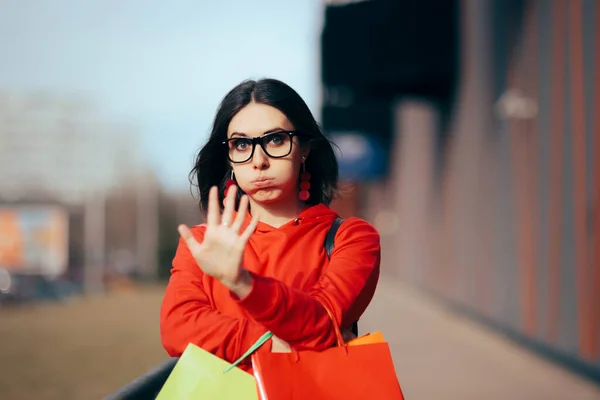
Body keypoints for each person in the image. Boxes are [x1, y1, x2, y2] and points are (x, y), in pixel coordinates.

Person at [159, 78, 380, 373]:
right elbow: (177, 328)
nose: (259, 161)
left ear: (304, 148)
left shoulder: (351, 238)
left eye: (275, 139)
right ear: (230, 159)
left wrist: (242, 283)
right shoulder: (202, 244)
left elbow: (322, 321)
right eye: (241, 144)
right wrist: (270, 345)